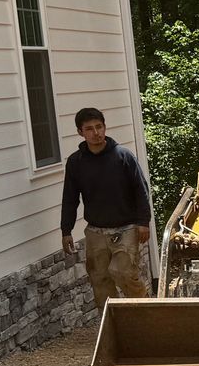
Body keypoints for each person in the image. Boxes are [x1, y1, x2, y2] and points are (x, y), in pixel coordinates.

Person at [60, 107, 153, 309]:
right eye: (89, 129)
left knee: (124, 272)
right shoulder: (76, 162)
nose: (96, 133)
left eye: (99, 127)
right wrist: (66, 230)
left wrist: (143, 222)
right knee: (99, 279)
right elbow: (70, 198)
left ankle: (146, 312)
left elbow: (141, 189)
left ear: (105, 127)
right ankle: (110, 326)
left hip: (126, 228)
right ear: (80, 132)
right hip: (95, 231)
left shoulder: (123, 156)